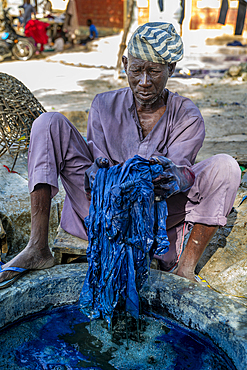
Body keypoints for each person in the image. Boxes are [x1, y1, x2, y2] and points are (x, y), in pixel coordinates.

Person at [0, 22, 241, 289]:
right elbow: (96, 161)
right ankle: (37, 247)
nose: (144, 82)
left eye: (155, 71)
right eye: (136, 70)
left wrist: (174, 176)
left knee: (226, 167)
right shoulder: (103, 104)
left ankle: (184, 269)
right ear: (125, 63)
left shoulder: (187, 115)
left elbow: (183, 171)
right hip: (99, 213)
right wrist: (96, 173)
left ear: (171, 69)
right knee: (48, 123)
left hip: (155, 217)